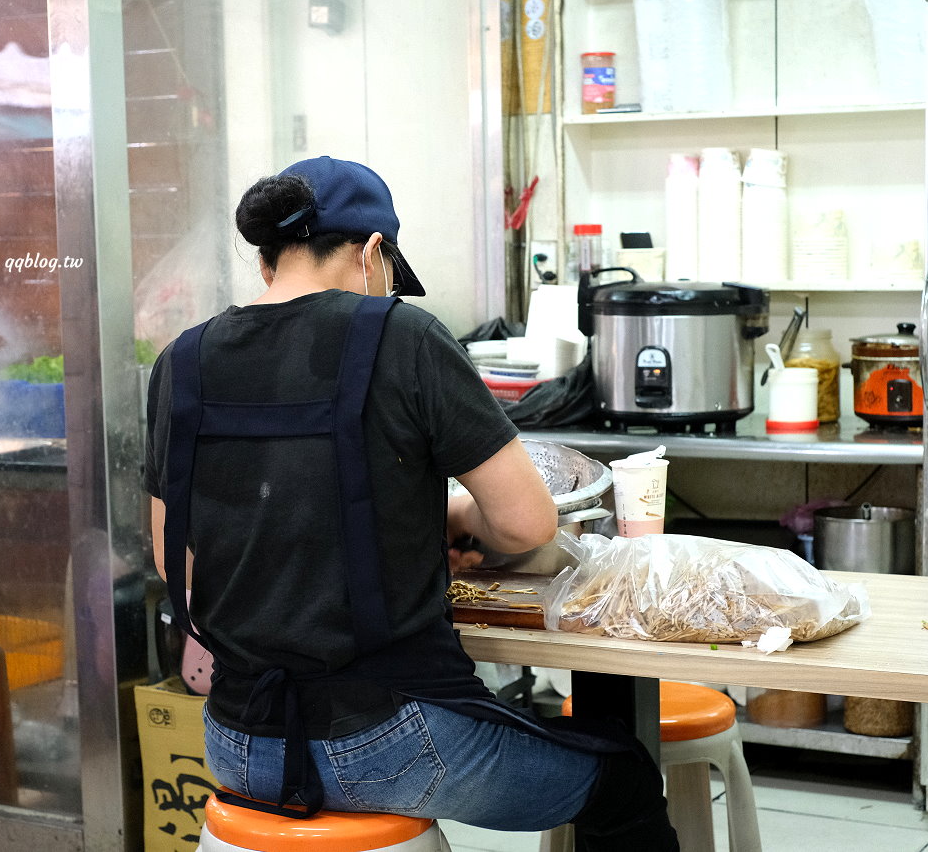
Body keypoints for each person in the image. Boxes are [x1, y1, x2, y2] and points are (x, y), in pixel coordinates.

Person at [144, 155, 677, 849]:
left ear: (270, 259)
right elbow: (527, 523)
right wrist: (470, 518)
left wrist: (435, 520)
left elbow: (175, 561)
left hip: (238, 743)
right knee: (624, 771)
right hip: (387, 740)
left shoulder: (182, 361)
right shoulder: (400, 335)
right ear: (372, 253)